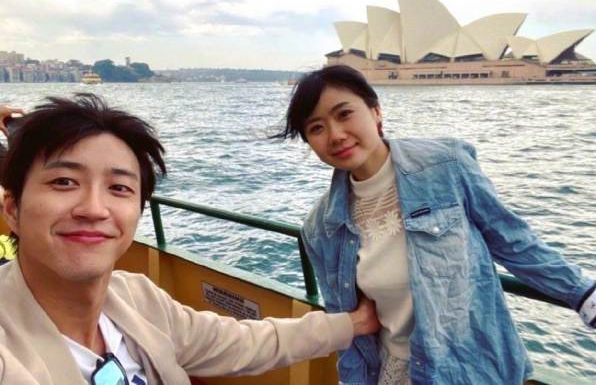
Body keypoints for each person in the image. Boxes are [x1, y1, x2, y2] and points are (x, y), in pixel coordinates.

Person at [274, 64, 596, 384]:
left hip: (471, 368)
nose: (336, 134)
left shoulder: (446, 166)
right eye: (317, 127)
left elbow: (515, 243)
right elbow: (349, 325)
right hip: (394, 373)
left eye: (344, 114)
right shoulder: (320, 228)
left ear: (376, 112)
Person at [0, 93, 380, 384]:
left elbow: (242, 342)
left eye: (119, 188)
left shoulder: (136, 299)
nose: (94, 208)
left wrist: (353, 324)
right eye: (64, 181)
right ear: (12, 209)